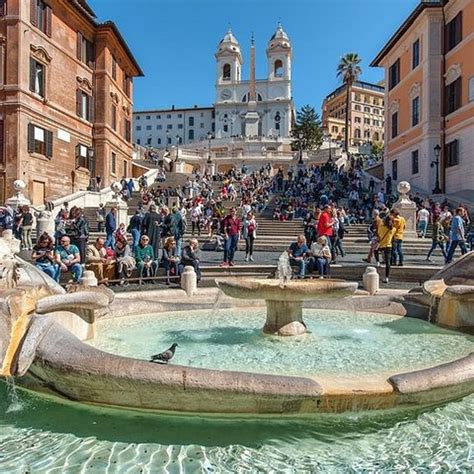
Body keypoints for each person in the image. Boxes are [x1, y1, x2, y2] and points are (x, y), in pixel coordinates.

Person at [377, 215, 396, 284]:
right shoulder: (393, 229)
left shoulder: (381, 227)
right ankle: (387, 277)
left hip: (381, 245)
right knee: (388, 262)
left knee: (375, 250)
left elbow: (379, 234)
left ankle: (377, 261)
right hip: (388, 246)